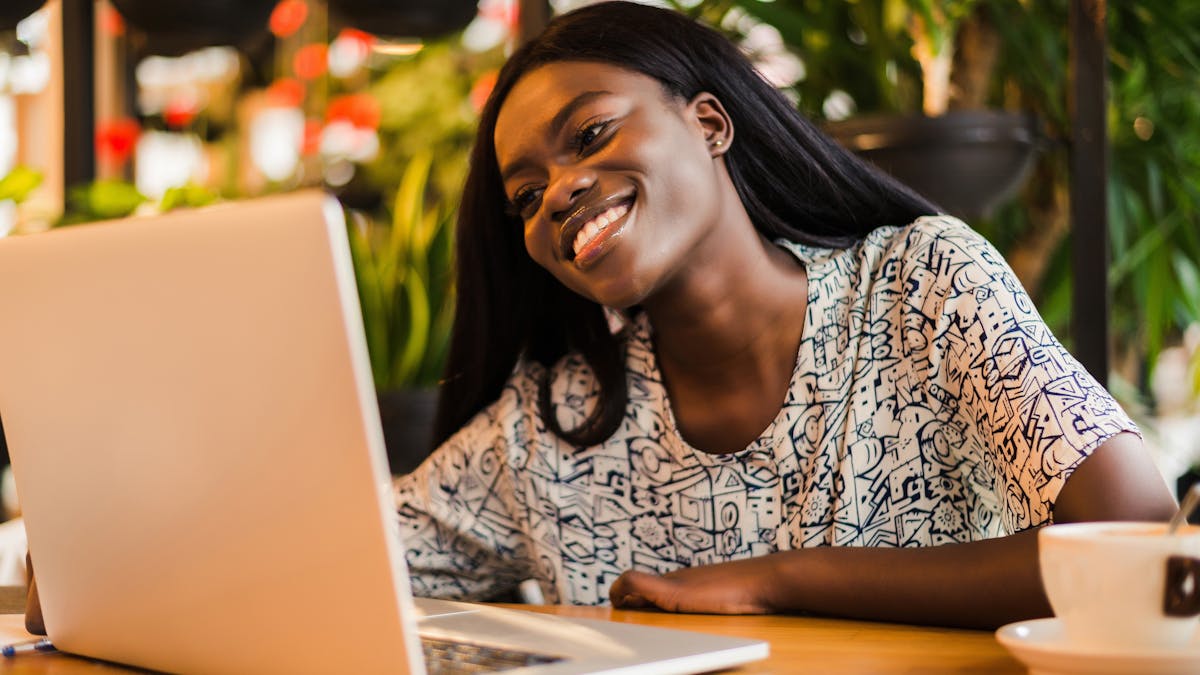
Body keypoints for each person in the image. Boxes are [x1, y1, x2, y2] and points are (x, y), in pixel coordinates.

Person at [393, 1, 1176, 629]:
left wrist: (781, 578)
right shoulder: (554, 421)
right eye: (526, 196)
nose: (558, 192)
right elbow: (354, 560)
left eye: (591, 134)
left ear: (709, 124)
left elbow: (1139, 539)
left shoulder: (919, 284)